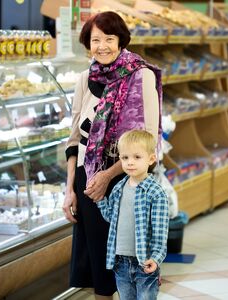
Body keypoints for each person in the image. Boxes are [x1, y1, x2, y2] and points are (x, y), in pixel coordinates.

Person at [63, 11, 163, 299]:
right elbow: (73, 139)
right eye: (96, 40)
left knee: (130, 260)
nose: (102, 46)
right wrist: (70, 189)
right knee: (99, 268)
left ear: (121, 41)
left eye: (109, 38)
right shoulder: (85, 78)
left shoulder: (140, 76)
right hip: (89, 177)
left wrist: (108, 175)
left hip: (127, 177)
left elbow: (148, 139)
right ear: (87, 43)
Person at [95, 129, 169, 300]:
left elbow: (160, 233)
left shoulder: (155, 193)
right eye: (125, 158)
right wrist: (100, 199)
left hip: (144, 262)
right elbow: (112, 218)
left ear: (151, 159)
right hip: (120, 262)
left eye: (137, 157)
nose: (130, 162)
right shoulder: (118, 189)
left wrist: (156, 258)